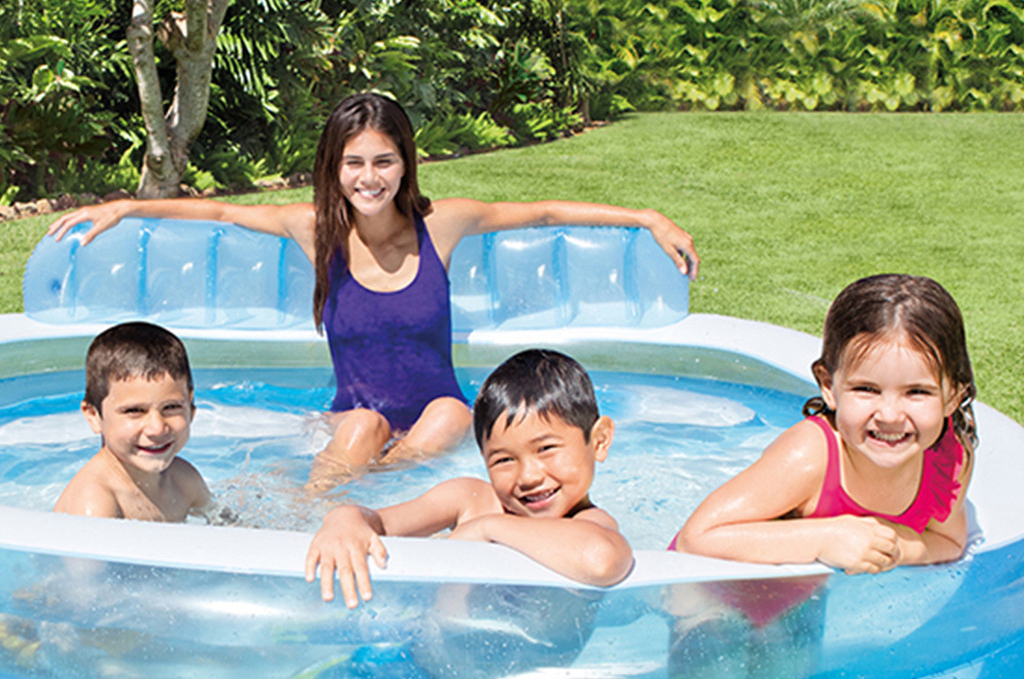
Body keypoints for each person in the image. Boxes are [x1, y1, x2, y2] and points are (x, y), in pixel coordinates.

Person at [49, 92, 700, 491]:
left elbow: (543, 214)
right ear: (335, 168)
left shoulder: (441, 225)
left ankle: (366, 489)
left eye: (383, 161)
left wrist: (646, 218)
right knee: (362, 424)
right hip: (352, 422)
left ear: (405, 164)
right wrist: (129, 206)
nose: (369, 177)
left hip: (434, 425)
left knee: (452, 410)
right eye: (353, 162)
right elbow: (221, 213)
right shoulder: (314, 230)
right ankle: (307, 509)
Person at [672, 274, 976, 573]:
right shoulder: (811, 455)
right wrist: (826, 538)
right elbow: (695, 539)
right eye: (867, 389)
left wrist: (896, 547)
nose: (890, 415)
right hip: (708, 592)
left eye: (917, 392)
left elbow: (947, 541)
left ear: (952, 397)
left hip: (802, 597)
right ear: (829, 386)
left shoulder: (949, 458)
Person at [305, 348, 634, 604]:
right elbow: (377, 522)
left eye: (546, 449)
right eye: (504, 459)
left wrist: (487, 528)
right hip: (421, 662)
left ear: (600, 440)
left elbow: (601, 560)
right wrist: (344, 519)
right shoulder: (469, 499)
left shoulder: (590, 524)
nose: (529, 476)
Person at [54, 321, 210, 521]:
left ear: (191, 409)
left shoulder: (184, 478)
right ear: (94, 416)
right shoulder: (96, 503)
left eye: (171, 407)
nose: (157, 428)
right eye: (134, 411)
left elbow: (231, 529)